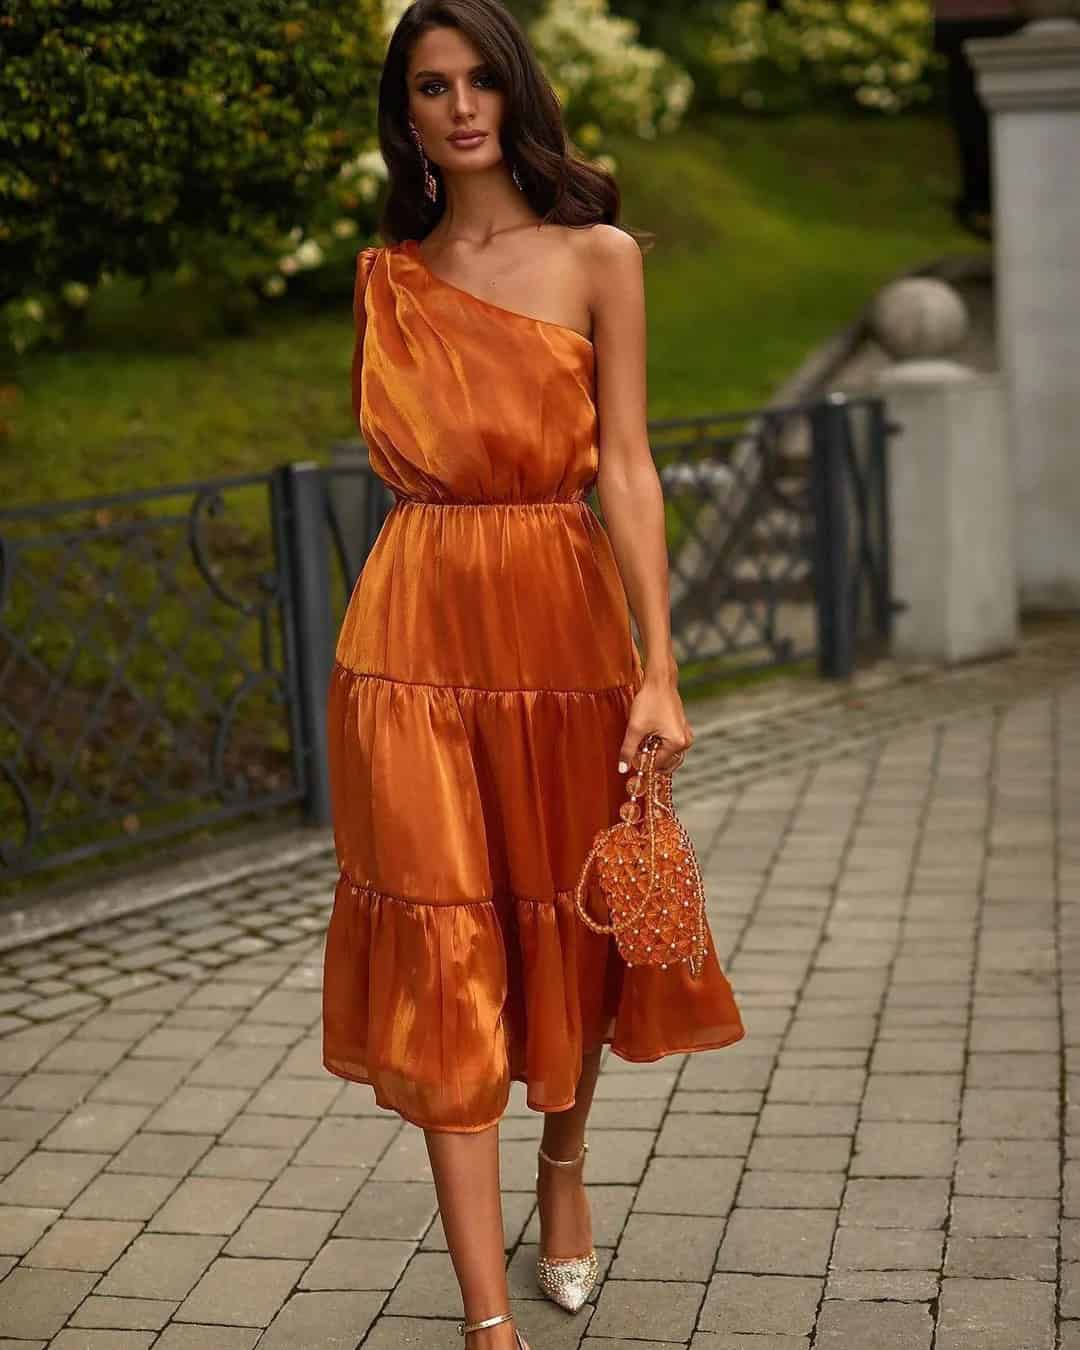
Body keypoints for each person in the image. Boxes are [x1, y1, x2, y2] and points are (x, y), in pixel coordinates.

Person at [321, 3, 746, 1348]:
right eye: (432, 86)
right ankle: (487, 1321)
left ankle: (562, 1166)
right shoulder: (387, 272)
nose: (460, 107)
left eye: (481, 80)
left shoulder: (598, 256)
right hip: (409, 639)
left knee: (568, 916)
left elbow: (624, 466)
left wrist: (660, 669)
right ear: (408, 116)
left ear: (517, 93)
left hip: (563, 627)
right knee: (445, 935)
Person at [933, 0, 1023, 237]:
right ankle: (987, 203)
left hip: (971, 21)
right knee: (975, 118)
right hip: (979, 21)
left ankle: (986, 203)